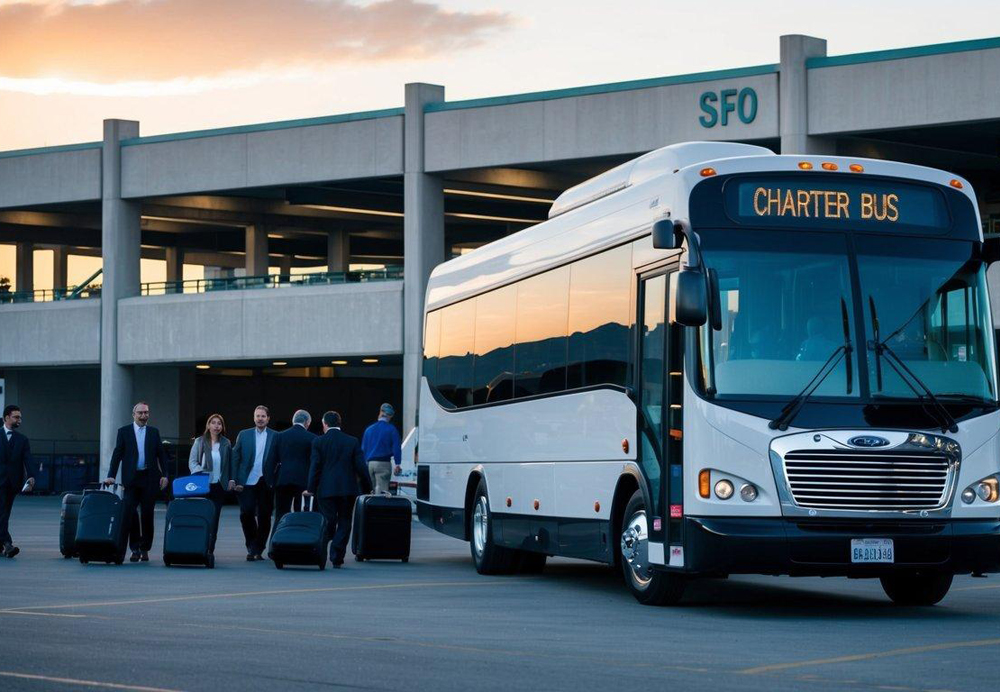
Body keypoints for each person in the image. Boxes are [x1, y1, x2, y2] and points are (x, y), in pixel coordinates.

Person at [304, 411, 372, 568]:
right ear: (339, 424)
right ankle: (337, 556)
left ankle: (321, 552)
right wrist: (367, 488)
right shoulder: (352, 441)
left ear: (325, 424)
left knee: (327, 521)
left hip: (325, 490)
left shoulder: (318, 442)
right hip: (347, 490)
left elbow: (315, 467)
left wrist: (311, 488)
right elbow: (361, 468)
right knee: (345, 521)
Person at [104, 402, 169, 563]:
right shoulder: (124, 432)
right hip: (131, 479)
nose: (143, 416)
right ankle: (134, 548)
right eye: (140, 413)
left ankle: (145, 548)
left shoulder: (154, 432)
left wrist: (165, 475)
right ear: (133, 414)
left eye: (146, 413)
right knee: (130, 513)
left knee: (147, 514)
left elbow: (161, 455)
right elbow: (117, 454)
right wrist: (111, 475)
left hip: (150, 478)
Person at [231, 405, 276, 561]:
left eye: (263, 416)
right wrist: (234, 478)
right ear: (254, 417)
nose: (260, 419)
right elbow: (235, 457)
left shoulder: (276, 436)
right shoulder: (244, 435)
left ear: (268, 418)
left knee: (265, 516)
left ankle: (258, 548)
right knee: (246, 513)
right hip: (247, 481)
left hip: (267, 481)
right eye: (257, 416)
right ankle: (251, 544)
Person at [187, 413, 232, 555]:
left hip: (219, 486)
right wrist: (201, 472)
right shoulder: (199, 441)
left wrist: (231, 479)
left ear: (222, 427)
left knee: (214, 518)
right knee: (201, 517)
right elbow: (192, 462)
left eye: (219, 423)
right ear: (208, 425)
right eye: (213, 423)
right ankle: (198, 547)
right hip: (202, 485)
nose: (216, 426)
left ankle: (209, 550)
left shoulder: (226, 443)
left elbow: (229, 464)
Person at [265, 409, 316, 530]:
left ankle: (274, 545)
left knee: (280, 515)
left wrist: (271, 482)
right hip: (304, 483)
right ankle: (299, 543)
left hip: (283, 480)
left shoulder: (279, 436)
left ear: (293, 421)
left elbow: (270, 462)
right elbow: (315, 463)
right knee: (301, 516)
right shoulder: (313, 438)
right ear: (307, 422)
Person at [0, 405, 34, 558]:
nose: (19, 420)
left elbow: (28, 459)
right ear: (6, 418)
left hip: (12, 483)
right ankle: (7, 544)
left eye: (20, 417)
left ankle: (3, 544)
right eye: (16, 417)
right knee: (2, 513)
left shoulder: (22, 440)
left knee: (4, 513)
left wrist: (31, 477)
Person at [361, 403, 402, 495]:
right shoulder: (391, 429)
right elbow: (396, 447)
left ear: (380, 413)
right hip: (383, 464)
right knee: (382, 492)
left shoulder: (369, 430)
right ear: (390, 415)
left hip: (370, 464)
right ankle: (379, 509)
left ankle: (371, 508)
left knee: (373, 491)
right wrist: (397, 464)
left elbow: (363, 449)